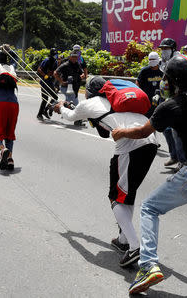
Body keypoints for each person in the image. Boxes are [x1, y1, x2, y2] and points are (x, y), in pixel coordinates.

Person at [112, 55, 187, 294]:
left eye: (166, 77)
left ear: (172, 80)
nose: (164, 81)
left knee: (149, 208)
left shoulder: (173, 105)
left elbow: (141, 132)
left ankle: (148, 265)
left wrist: (121, 132)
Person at [53, 76, 158, 267]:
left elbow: (69, 116)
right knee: (128, 193)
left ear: (90, 91)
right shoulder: (118, 101)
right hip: (150, 143)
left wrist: (60, 107)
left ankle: (135, 246)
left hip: (130, 148)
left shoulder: (91, 102)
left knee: (115, 197)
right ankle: (124, 240)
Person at [159, 38, 185, 168]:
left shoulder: (178, 60)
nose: (163, 51)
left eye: (166, 48)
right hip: (169, 97)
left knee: (176, 131)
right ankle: (174, 156)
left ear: (173, 49)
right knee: (167, 129)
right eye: (162, 49)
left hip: (179, 97)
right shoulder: (164, 61)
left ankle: (182, 161)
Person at [54, 50, 85, 126]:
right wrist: (61, 81)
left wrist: (82, 76)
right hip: (66, 88)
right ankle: (78, 120)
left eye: (76, 57)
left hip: (74, 88)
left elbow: (82, 72)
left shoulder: (77, 64)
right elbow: (55, 73)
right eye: (73, 57)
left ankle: (54, 106)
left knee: (68, 103)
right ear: (70, 57)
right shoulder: (65, 65)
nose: (74, 58)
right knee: (76, 104)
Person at [136, 52, 163, 118]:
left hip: (160, 99)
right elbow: (138, 82)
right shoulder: (144, 71)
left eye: (153, 60)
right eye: (150, 60)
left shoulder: (162, 70)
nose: (152, 62)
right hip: (147, 100)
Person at [36, 48, 59, 120]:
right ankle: (39, 114)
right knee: (45, 99)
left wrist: (55, 83)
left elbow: (54, 71)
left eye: (56, 54)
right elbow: (39, 69)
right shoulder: (46, 60)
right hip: (44, 81)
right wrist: (45, 75)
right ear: (51, 55)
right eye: (54, 55)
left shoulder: (55, 62)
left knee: (55, 97)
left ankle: (45, 110)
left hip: (50, 81)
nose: (55, 56)